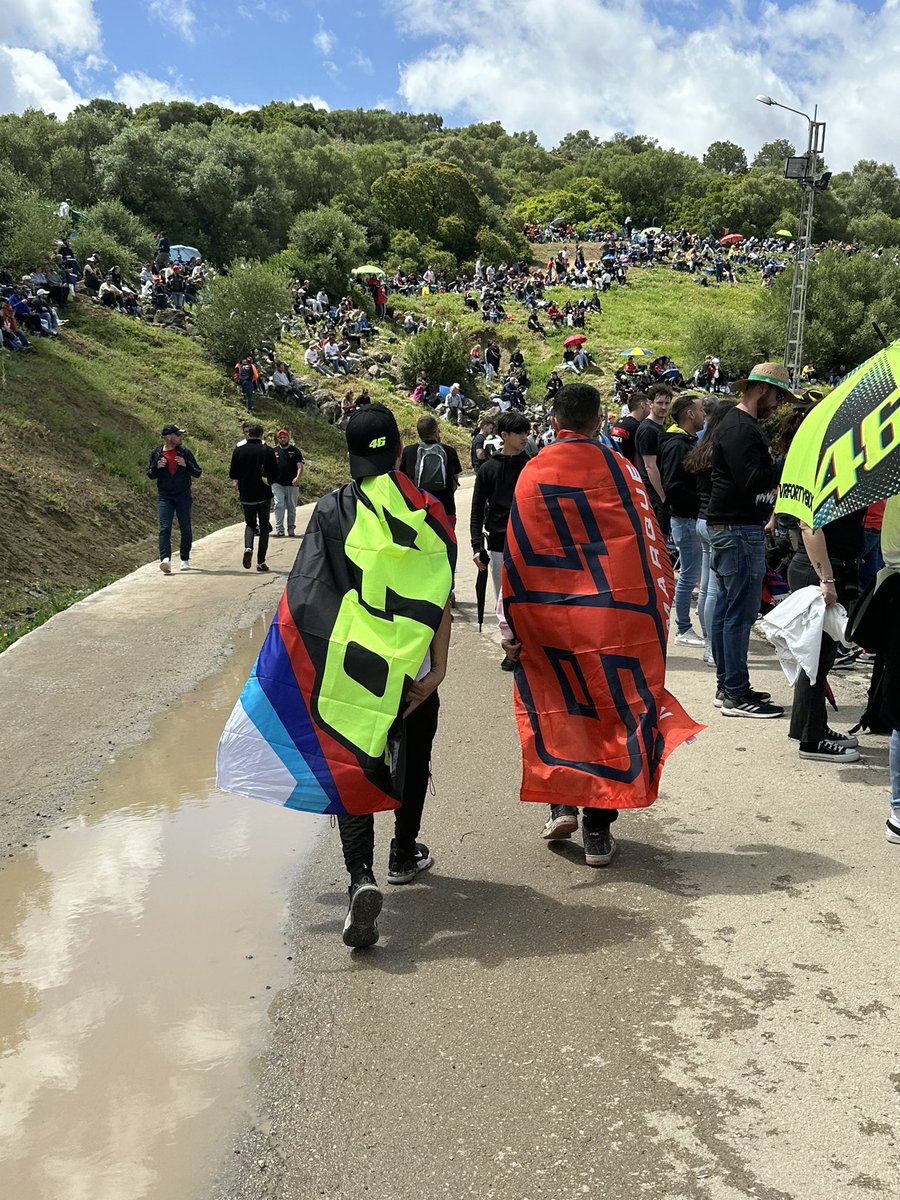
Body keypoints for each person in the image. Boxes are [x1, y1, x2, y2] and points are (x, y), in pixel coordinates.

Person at [217, 404, 456, 950]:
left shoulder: (330, 512)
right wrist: (438, 666)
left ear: (350, 459)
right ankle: (403, 853)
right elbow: (440, 593)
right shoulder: (430, 514)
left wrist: (285, 672)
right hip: (414, 670)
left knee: (354, 764)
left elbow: (305, 597)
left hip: (353, 676)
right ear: (400, 452)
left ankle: (360, 879)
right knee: (413, 760)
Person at [498, 383, 700, 867]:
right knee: (610, 715)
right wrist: (656, 619)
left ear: (553, 420)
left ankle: (562, 802)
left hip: (549, 621)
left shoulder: (533, 471)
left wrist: (510, 632)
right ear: (599, 419)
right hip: (611, 621)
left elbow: (517, 553)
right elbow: (650, 551)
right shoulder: (624, 470)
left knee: (557, 708)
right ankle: (597, 830)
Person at [706, 363, 792, 717]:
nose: (779, 403)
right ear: (760, 390)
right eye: (778, 395)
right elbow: (752, 479)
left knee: (729, 610)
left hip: (734, 527)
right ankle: (736, 694)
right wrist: (787, 463)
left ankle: (729, 686)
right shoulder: (741, 427)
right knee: (738, 615)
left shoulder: (740, 424)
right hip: (737, 529)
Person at [470, 410, 531, 669]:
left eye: (526, 432)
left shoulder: (532, 464)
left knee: (528, 598)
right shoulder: (488, 469)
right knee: (503, 601)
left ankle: (529, 647)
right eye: (519, 433)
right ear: (504, 435)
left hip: (529, 540)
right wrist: (476, 545)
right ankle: (510, 648)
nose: (524, 437)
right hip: (497, 542)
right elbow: (476, 507)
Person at [684, 401, 733, 666]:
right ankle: (713, 647)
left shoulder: (702, 447)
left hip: (701, 520)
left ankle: (708, 642)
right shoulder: (721, 450)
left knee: (705, 588)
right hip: (715, 522)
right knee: (713, 589)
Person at [659, 395, 706, 646]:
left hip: (688, 516)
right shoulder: (678, 445)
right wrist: (700, 502)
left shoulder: (685, 441)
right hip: (686, 518)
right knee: (688, 574)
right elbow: (673, 485)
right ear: (689, 414)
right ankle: (683, 628)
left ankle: (685, 626)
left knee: (691, 573)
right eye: (700, 410)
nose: (703, 415)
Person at [146, 424, 202, 573]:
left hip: (183, 496)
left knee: (185, 527)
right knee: (164, 528)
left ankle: (184, 558)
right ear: (169, 437)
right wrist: (156, 467)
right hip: (165, 497)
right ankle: (165, 560)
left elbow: (197, 472)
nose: (181, 437)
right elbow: (150, 474)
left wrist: (187, 464)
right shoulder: (156, 453)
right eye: (178, 435)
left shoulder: (185, 452)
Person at [229, 423, 279, 572]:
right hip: (263, 494)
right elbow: (275, 472)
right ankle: (261, 562)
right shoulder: (267, 450)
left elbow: (233, 473)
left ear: (248, 434)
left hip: (246, 494)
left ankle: (248, 547)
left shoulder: (238, 450)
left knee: (250, 524)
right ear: (262, 435)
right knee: (264, 526)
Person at [399, 414, 463, 527]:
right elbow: (454, 482)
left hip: (418, 512)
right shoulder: (449, 451)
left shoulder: (408, 452)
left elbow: (402, 482)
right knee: (446, 544)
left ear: (419, 433)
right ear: (436, 432)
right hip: (445, 510)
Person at [634, 384, 672, 532]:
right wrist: (662, 496)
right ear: (650, 403)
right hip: (653, 491)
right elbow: (650, 466)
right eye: (659, 403)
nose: (663, 407)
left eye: (667, 403)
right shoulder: (648, 430)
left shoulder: (657, 428)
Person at [272, 428, 304, 538]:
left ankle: (291, 528)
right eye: (280, 438)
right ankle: (279, 529)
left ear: (288, 438)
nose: (282, 439)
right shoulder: (274, 451)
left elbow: (300, 466)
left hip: (292, 484)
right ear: (277, 439)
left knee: (291, 507)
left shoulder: (295, 451)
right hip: (277, 483)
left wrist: (297, 478)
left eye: (284, 437)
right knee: (279, 505)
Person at [609, 391, 649, 464]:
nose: (650, 408)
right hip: (629, 469)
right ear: (642, 405)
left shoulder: (618, 422)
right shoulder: (637, 427)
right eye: (648, 405)